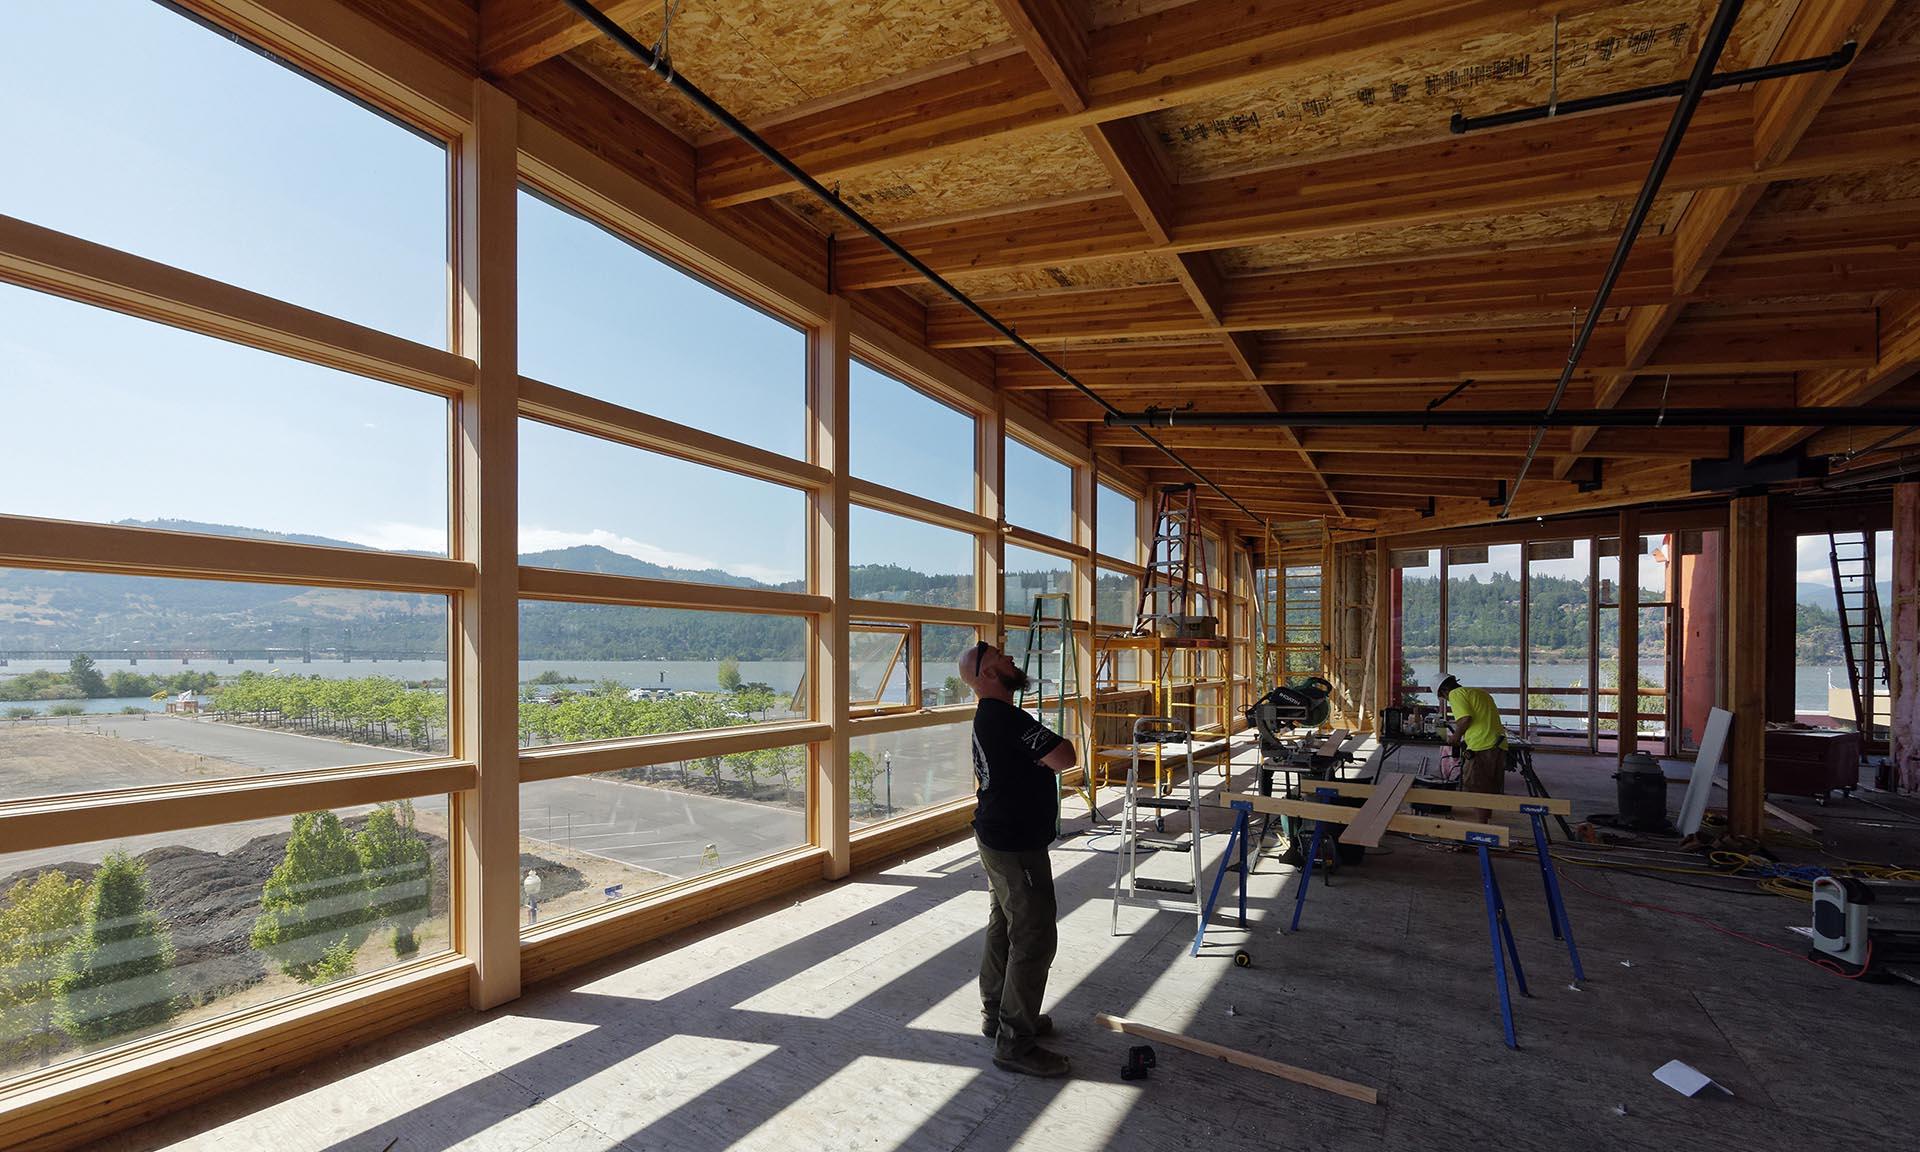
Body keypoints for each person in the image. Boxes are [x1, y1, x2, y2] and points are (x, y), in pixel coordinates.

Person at [960, 638, 1077, 1078]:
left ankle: (998, 1015)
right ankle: (1014, 1042)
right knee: (1034, 935)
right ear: (988, 675)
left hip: (998, 837)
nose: (1012, 660)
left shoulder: (992, 718)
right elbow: (1064, 756)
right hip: (1014, 845)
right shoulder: (1006, 718)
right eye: (1001, 658)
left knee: (1005, 924)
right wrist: (1045, 757)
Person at [1438, 673, 1507, 825]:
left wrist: (1455, 737)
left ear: (1444, 691)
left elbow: (1465, 719)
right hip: (1499, 744)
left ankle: (1480, 829)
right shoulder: (1479, 692)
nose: (1447, 700)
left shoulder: (1456, 694)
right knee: (1488, 786)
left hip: (1481, 745)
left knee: (1476, 786)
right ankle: (1485, 824)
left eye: (1443, 697)